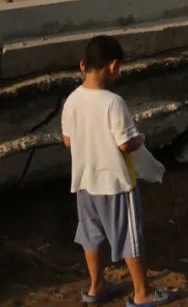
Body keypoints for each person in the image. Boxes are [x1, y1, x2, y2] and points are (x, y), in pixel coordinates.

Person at [61, 36, 173, 307]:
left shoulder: (72, 100)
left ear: (82, 65)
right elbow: (125, 143)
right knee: (129, 236)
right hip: (115, 182)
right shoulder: (113, 102)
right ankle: (142, 292)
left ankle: (96, 286)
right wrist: (141, 139)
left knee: (91, 234)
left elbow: (68, 141)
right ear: (112, 66)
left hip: (85, 180)